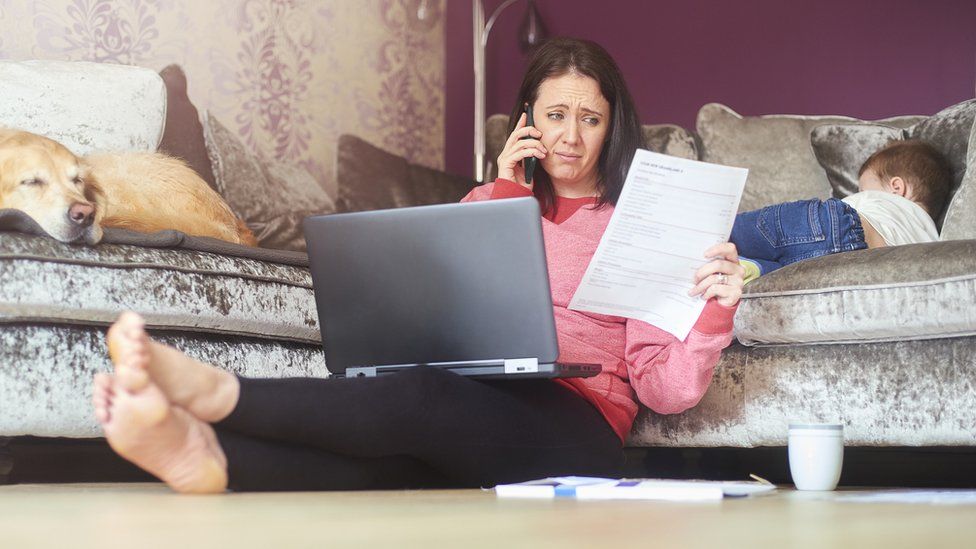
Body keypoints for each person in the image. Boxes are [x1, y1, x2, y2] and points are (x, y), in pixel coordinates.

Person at [91, 37, 745, 494]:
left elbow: (666, 390)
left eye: (590, 118)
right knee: (389, 464)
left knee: (422, 396)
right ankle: (208, 457)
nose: (571, 137)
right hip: (481, 400)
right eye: (555, 115)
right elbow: (440, 317)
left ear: (613, 126)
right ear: (527, 121)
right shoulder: (489, 200)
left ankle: (215, 395)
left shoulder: (638, 222)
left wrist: (714, 307)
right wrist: (507, 198)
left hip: (579, 424)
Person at [732, 139, 952, 282]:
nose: (860, 193)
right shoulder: (931, 239)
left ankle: (708, 231)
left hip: (839, 227)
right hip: (853, 271)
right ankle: (749, 269)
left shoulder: (880, 205)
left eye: (863, 189)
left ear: (897, 187)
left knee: (739, 231)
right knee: (783, 274)